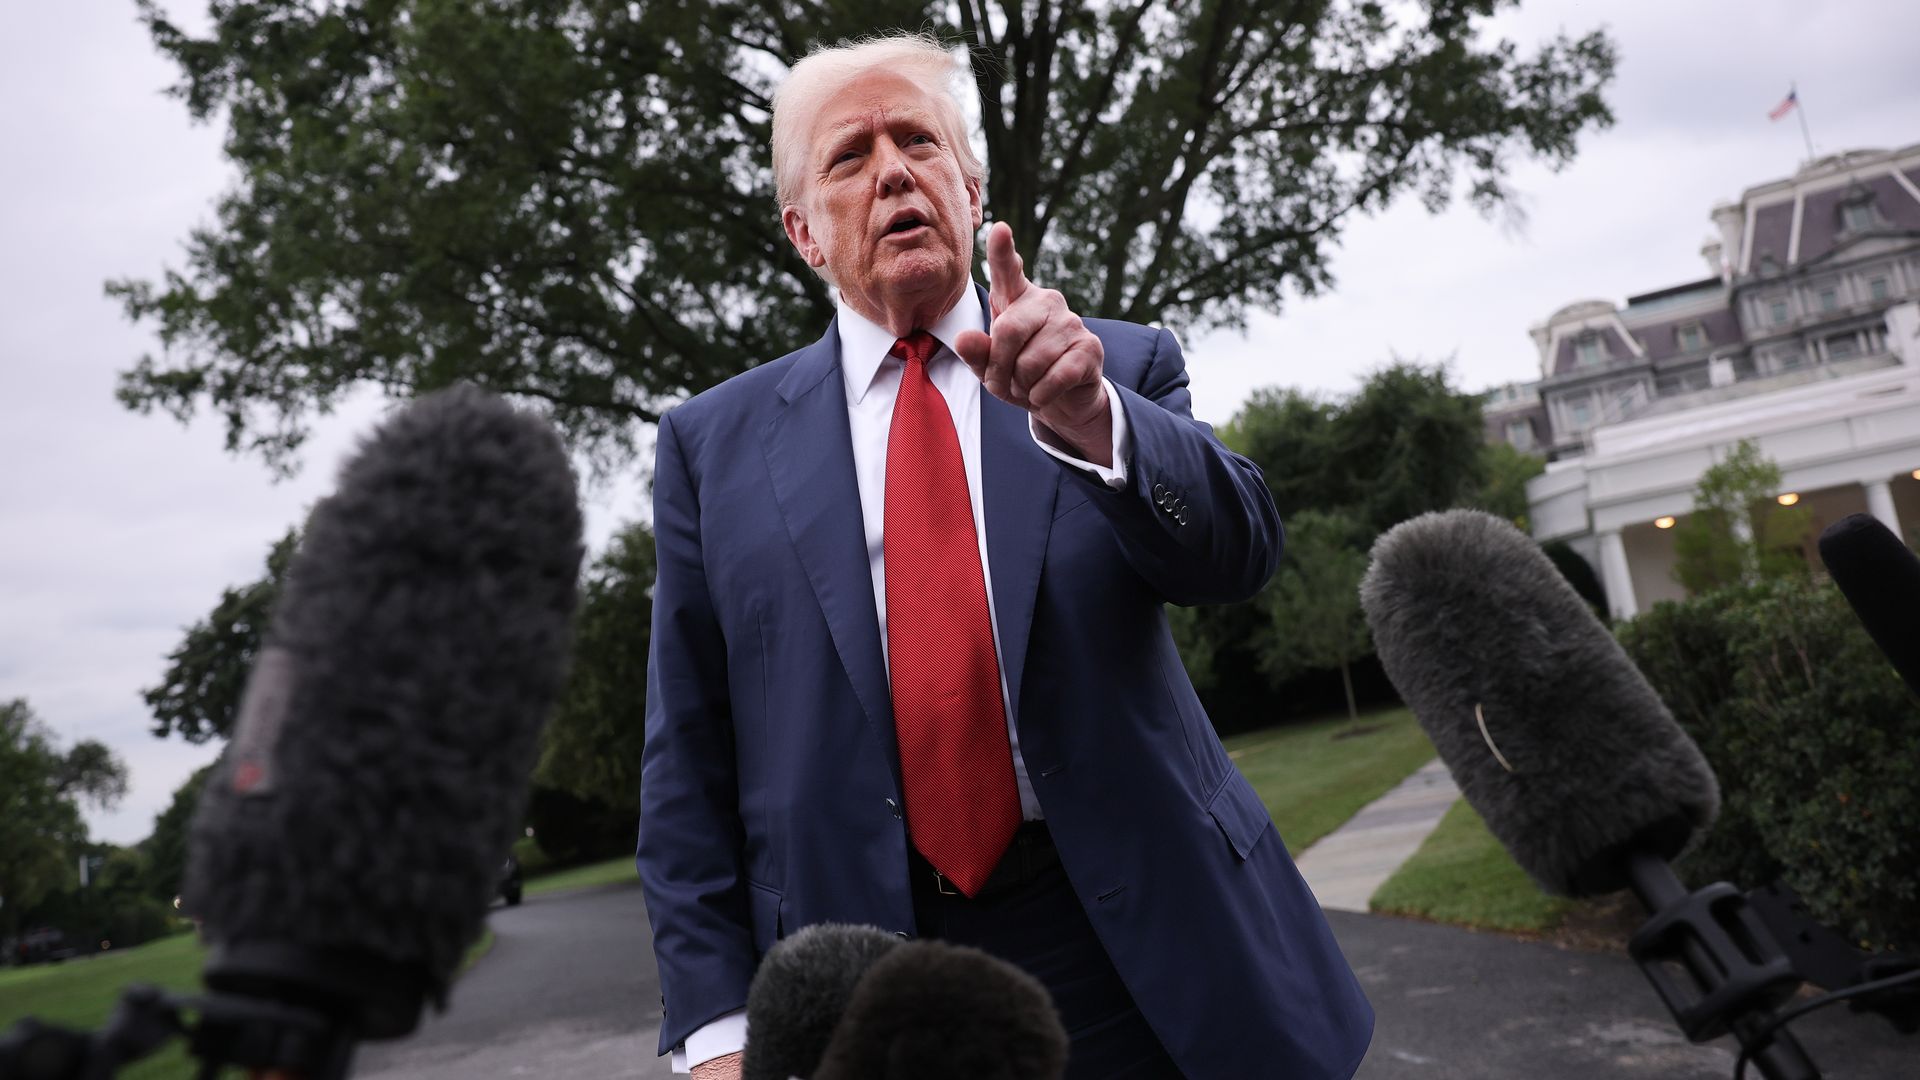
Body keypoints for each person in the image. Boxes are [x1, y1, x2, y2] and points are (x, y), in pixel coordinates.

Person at [637, 32, 1373, 1080]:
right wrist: (716, 1032)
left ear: (969, 186)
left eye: (919, 142)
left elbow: (1238, 556)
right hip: (878, 991)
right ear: (804, 231)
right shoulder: (712, 449)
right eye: (850, 156)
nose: (893, 168)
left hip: (1155, 950)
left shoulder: (1114, 365)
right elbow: (686, 766)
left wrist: (1095, 420)